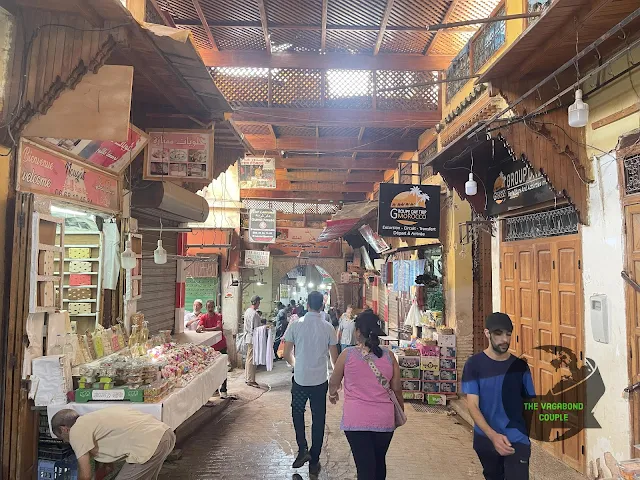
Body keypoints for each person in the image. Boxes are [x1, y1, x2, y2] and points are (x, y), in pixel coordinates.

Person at [328, 311, 403, 480]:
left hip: (356, 421)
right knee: (378, 462)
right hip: (384, 419)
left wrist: (332, 394)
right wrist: (400, 410)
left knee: (364, 468)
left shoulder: (347, 355)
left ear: (358, 332)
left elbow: (334, 381)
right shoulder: (389, 356)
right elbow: (397, 388)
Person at [462, 312, 536, 480]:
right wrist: (493, 436)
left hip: (516, 440)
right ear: (487, 333)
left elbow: (529, 403)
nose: (504, 339)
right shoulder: (474, 365)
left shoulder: (520, 367)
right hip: (486, 440)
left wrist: (524, 435)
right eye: (498, 334)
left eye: (508, 334)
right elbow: (472, 405)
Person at [283, 291, 339, 476]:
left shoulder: (295, 325)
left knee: (297, 412)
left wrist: (297, 365)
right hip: (319, 381)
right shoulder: (328, 327)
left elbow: (286, 353)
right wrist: (334, 382)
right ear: (322, 306)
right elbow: (334, 359)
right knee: (318, 419)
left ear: (307, 304)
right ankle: (314, 460)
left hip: (300, 380)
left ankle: (302, 449)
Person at [51, 407, 175, 480]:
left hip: (150, 444)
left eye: (61, 437)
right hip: (165, 434)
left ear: (64, 429)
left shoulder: (76, 431)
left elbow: (86, 475)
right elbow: (107, 466)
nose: (64, 441)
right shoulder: (91, 420)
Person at [197, 300, 228, 398]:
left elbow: (218, 328)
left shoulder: (218, 316)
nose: (210, 309)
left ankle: (223, 389)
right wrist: (199, 328)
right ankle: (214, 389)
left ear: (214, 307)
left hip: (221, 346)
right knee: (211, 369)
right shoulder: (203, 317)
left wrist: (205, 329)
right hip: (210, 348)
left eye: (212, 307)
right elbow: (200, 326)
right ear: (206, 308)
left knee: (222, 368)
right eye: (208, 307)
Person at [243, 295, 262, 388]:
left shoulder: (247, 311)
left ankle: (247, 378)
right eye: (259, 302)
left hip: (249, 337)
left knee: (248, 358)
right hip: (253, 338)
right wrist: (264, 328)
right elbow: (256, 328)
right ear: (257, 302)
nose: (259, 304)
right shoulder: (254, 313)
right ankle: (250, 380)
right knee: (252, 359)